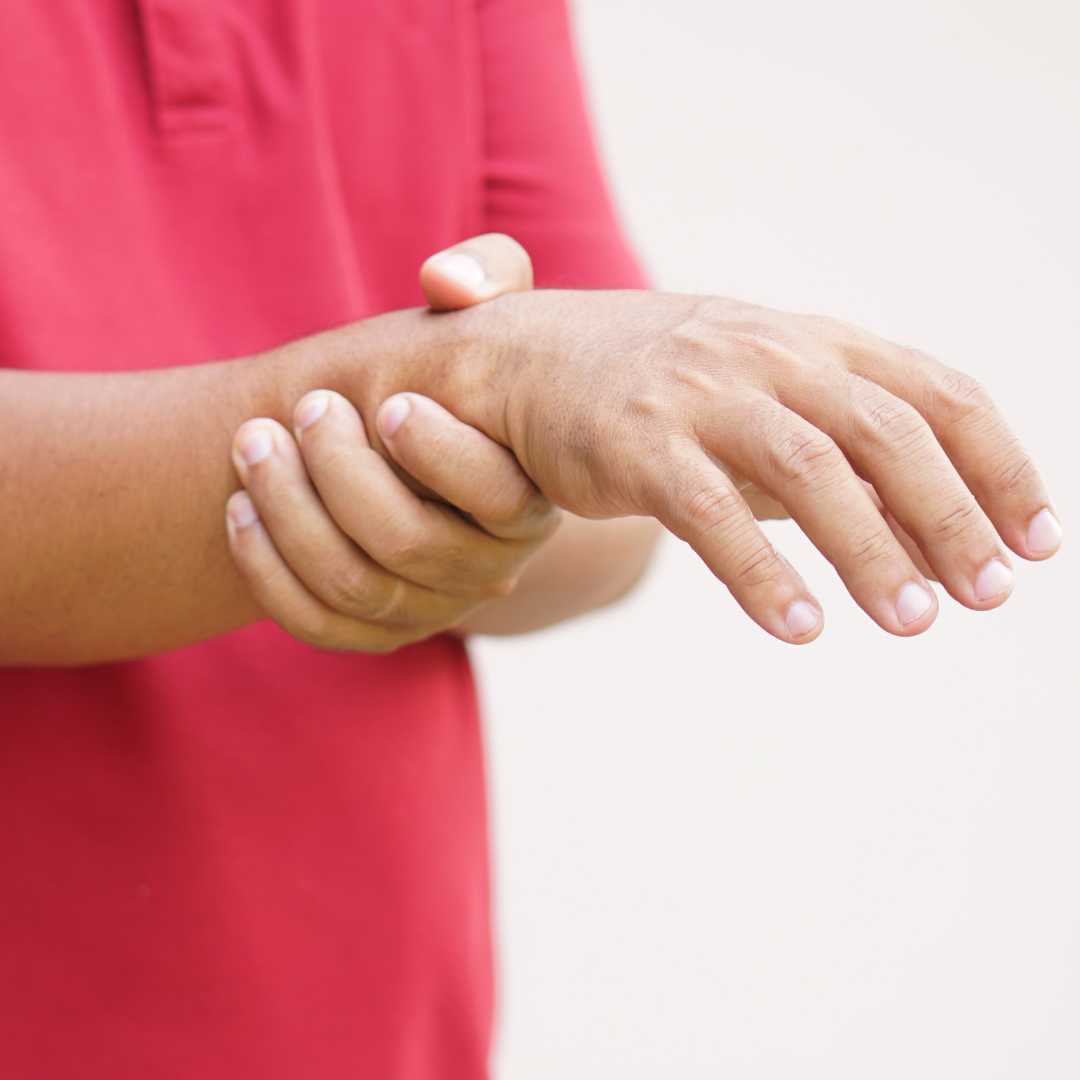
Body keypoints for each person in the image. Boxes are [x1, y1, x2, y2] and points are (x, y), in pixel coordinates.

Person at [0, 2, 1061, 1078]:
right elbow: (519, 378)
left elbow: (597, 500)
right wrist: (438, 399)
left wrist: (497, 465)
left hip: (374, 1015)